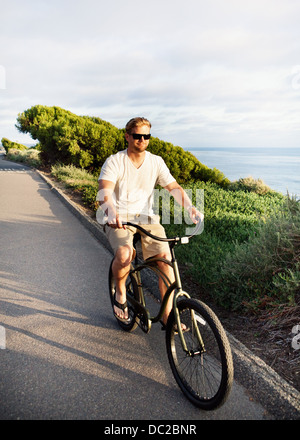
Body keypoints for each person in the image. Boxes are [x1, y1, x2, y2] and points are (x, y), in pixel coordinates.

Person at [98, 117, 203, 325]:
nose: (142, 140)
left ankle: (167, 315)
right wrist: (111, 212)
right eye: (137, 136)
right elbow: (105, 192)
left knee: (166, 260)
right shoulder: (115, 161)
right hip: (118, 218)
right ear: (127, 136)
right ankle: (120, 292)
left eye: (147, 136)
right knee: (125, 254)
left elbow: (173, 187)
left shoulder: (156, 162)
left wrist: (190, 207)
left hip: (147, 218)